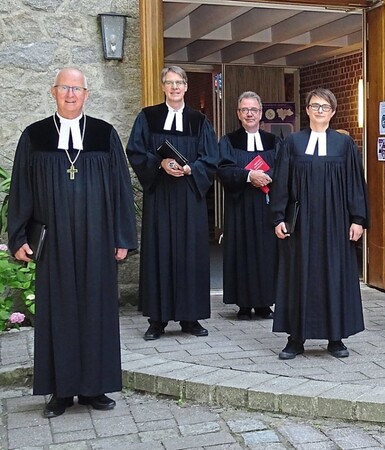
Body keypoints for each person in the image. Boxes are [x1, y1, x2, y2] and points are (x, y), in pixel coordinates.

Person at [7, 68, 137, 417]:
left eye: (76, 88)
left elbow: (122, 188)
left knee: (96, 309)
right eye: (65, 88)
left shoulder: (103, 134)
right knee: (58, 312)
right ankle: (60, 393)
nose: (70, 94)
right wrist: (18, 236)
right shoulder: (35, 136)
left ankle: (95, 388)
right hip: (55, 241)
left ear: (86, 94)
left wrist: (123, 236)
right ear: (54, 92)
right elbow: (20, 189)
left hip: (98, 239)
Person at [271, 88, 369, 359]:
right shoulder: (293, 142)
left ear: (333, 112)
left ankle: (335, 338)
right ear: (307, 110)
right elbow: (281, 182)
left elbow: (355, 185)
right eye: (315, 106)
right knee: (298, 277)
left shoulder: (344, 145)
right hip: (301, 224)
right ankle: (295, 339)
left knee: (334, 276)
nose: (319, 111)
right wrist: (278, 217)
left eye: (325, 107)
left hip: (336, 223)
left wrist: (358, 219)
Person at [127, 65, 219, 340]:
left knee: (190, 255)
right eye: (169, 82)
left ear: (186, 86)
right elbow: (135, 150)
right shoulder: (148, 117)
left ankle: (190, 319)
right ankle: (157, 320)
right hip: (161, 198)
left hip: (190, 198)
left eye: (179, 82)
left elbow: (211, 158)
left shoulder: (199, 120)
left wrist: (192, 169)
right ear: (163, 86)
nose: (175, 87)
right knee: (160, 253)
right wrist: (160, 163)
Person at [218, 91, 280, 320]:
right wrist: (248, 176)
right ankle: (243, 304)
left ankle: (265, 303)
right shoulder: (228, 141)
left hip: (266, 206)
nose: (249, 114)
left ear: (261, 113)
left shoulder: (274, 141)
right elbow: (222, 169)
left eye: (253, 109)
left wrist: (268, 177)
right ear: (238, 114)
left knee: (266, 253)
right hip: (240, 206)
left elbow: (284, 167)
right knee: (241, 252)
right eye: (245, 110)